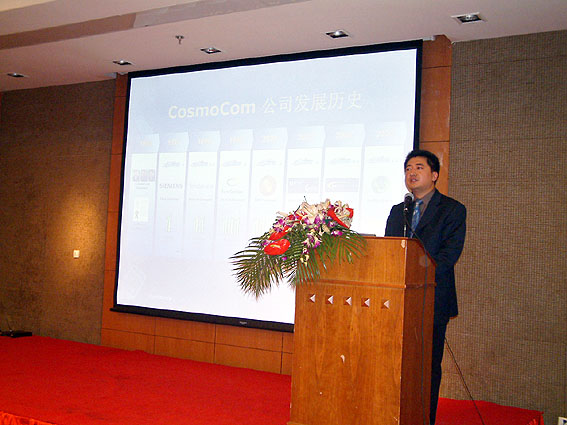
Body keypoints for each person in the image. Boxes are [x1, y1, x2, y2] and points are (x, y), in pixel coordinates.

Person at [385, 149, 466, 425]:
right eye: (408, 168)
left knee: (427, 366)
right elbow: (390, 252)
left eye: (419, 167)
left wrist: (419, 273)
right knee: (397, 363)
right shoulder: (398, 211)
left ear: (434, 175)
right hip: (399, 300)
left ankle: (423, 419)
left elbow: (449, 255)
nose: (412, 172)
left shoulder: (453, 210)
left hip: (433, 299)